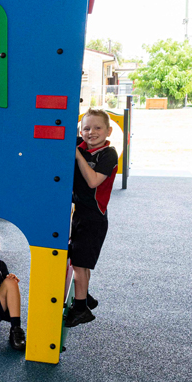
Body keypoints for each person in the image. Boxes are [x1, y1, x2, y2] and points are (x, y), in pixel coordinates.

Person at [65, 108, 118, 328]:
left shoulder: (108, 154)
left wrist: (77, 156)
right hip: (80, 214)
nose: (91, 132)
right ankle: (84, 296)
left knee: (79, 264)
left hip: (94, 218)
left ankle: (81, 309)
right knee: (81, 261)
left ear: (109, 131)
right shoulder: (81, 144)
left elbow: (93, 181)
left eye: (98, 128)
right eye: (86, 128)